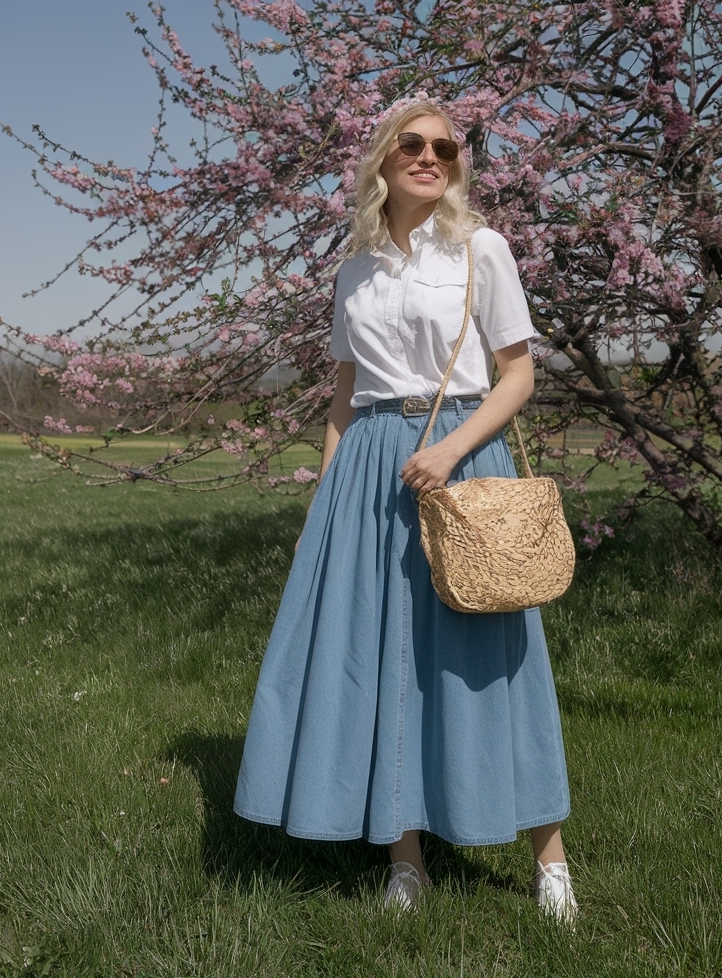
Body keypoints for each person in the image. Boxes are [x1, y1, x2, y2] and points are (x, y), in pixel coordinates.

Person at [234, 99, 577, 923]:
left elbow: (517, 376)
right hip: (368, 477)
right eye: (412, 145)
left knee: (492, 649)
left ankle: (551, 862)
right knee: (382, 653)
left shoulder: (480, 249)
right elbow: (346, 395)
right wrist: (327, 494)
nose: (430, 157)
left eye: (445, 148)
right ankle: (406, 858)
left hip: (458, 457)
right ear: (381, 159)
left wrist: (449, 453)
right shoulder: (354, 268)